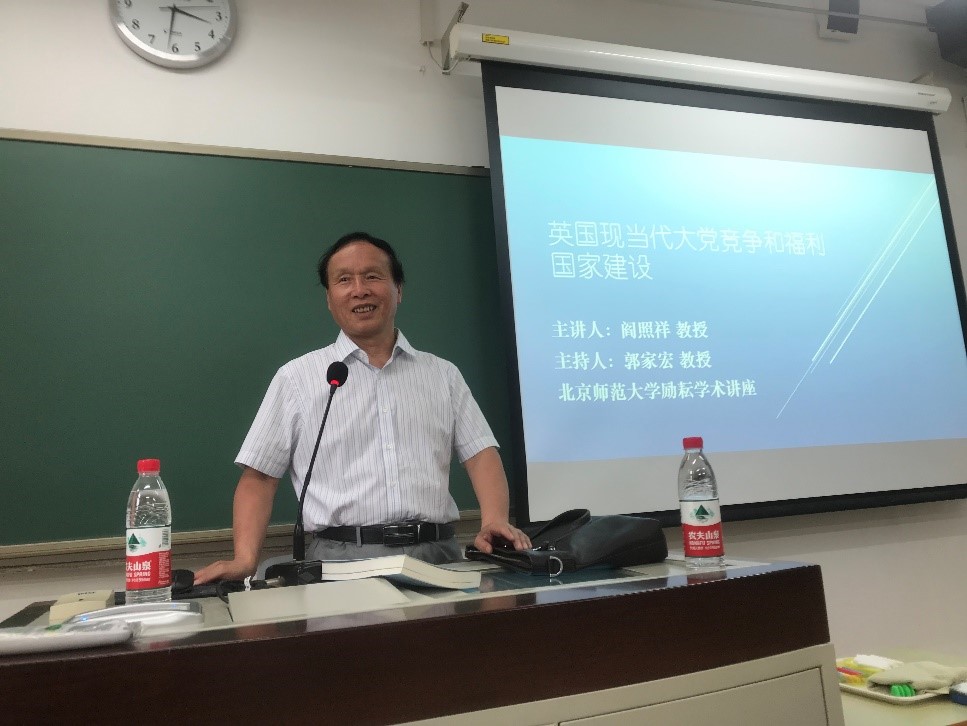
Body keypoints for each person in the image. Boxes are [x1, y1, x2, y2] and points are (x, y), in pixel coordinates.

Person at [195, 232, 530, 583]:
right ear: (329, 299)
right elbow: (261, 477)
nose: (359, 290)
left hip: (439, 557)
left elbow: (480, 454)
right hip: (340, 562)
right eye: (344, 280)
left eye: (372, 276)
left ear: (398, 289)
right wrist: (245, 559)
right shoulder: (297, 378)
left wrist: (494, 520)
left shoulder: (442, 374)